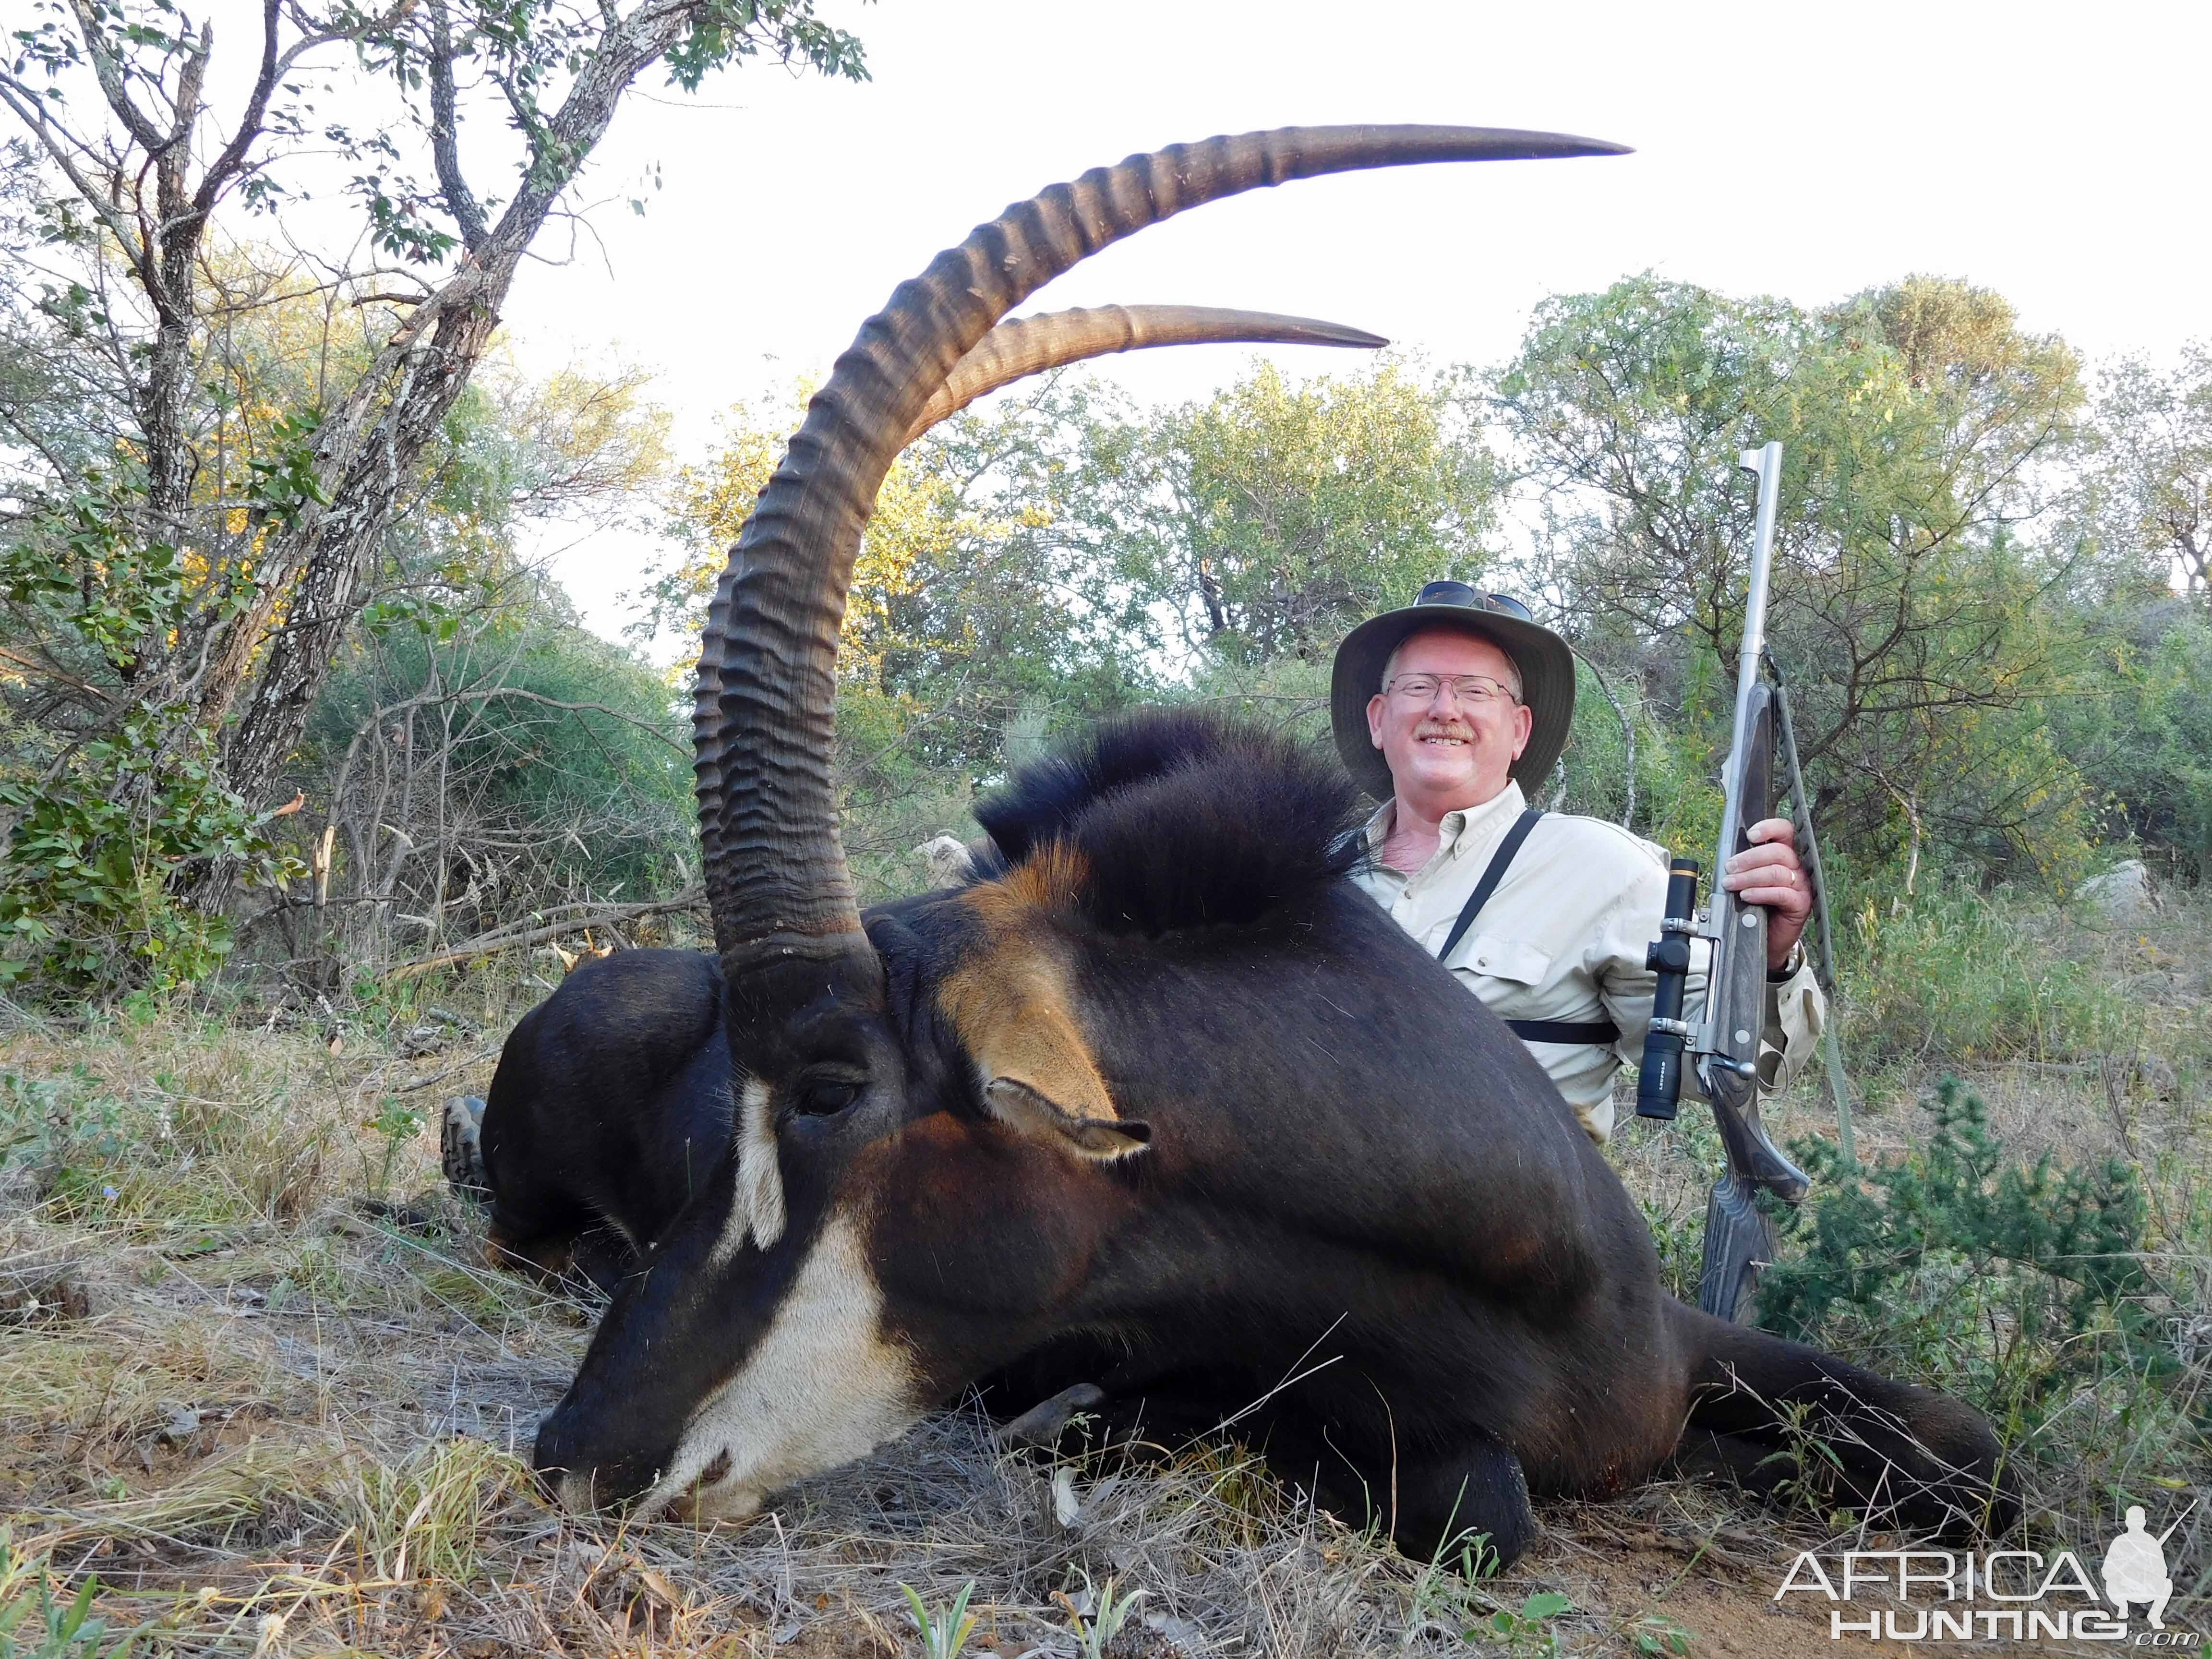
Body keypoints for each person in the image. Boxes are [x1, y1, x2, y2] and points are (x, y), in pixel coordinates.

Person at [1331, 580, 1825, 1143]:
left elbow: (1717, 1068)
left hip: (1504, 1224)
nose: (1445, 709)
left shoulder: (1606, 868)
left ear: (1518, 730)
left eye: (1476, 691)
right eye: (1420, 686)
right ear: (1378, 719)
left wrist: (1766, 959)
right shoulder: (1310, 871)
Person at [2101, 1506, 2174, 1629]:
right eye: (2134, 1521)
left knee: (2168, 1584)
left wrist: (2148, 1568)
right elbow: (2107, 1570)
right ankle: (2122, 1608)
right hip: (2124, 1586)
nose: (2137, 1524)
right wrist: (2123, 1568)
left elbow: (2163, 1571)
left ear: (2145, 1522)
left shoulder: (2151, 1543)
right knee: (2112, 1584)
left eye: (2140, 1521)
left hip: (2145, 1587)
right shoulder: (2120, 1542)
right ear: (2128, 1522)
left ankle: (2155, 1616)